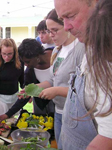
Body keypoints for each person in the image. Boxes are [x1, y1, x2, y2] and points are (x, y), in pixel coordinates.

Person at [54, 0, 112, 149]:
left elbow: (108, 137)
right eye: (62, 19)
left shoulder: (106, 59)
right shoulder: (89, 45)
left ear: (97, 4)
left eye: (71, 16)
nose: (66, 27)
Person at [32, 9, 84, 149]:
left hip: (76, 116)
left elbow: (84, 91)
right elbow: (52, 80)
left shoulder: (81, 49)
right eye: (49, 31)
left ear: (67, 26)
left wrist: (56, 91)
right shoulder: (57, 50)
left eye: (55, 30)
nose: (51, 35)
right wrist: (33, 89)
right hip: (59, 111)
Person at [0, 38, 54, 121]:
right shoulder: (29, 72)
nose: (26, 65)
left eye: (28, 61)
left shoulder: (56, 55)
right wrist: (7, 114)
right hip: (41, 104)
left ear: (37, 56)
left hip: (59, 103)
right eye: (24, 62)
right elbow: (26, 95)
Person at [0, 38, 24, 116]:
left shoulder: (20, 62)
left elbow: (22, 81)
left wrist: (26, 92)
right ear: (0, 52)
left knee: (13, 122)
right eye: (4, 54)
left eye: (10, 54)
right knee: (0, 123)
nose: (6, 57)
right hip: (0, 99)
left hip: (14, 97)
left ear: (14, 52)